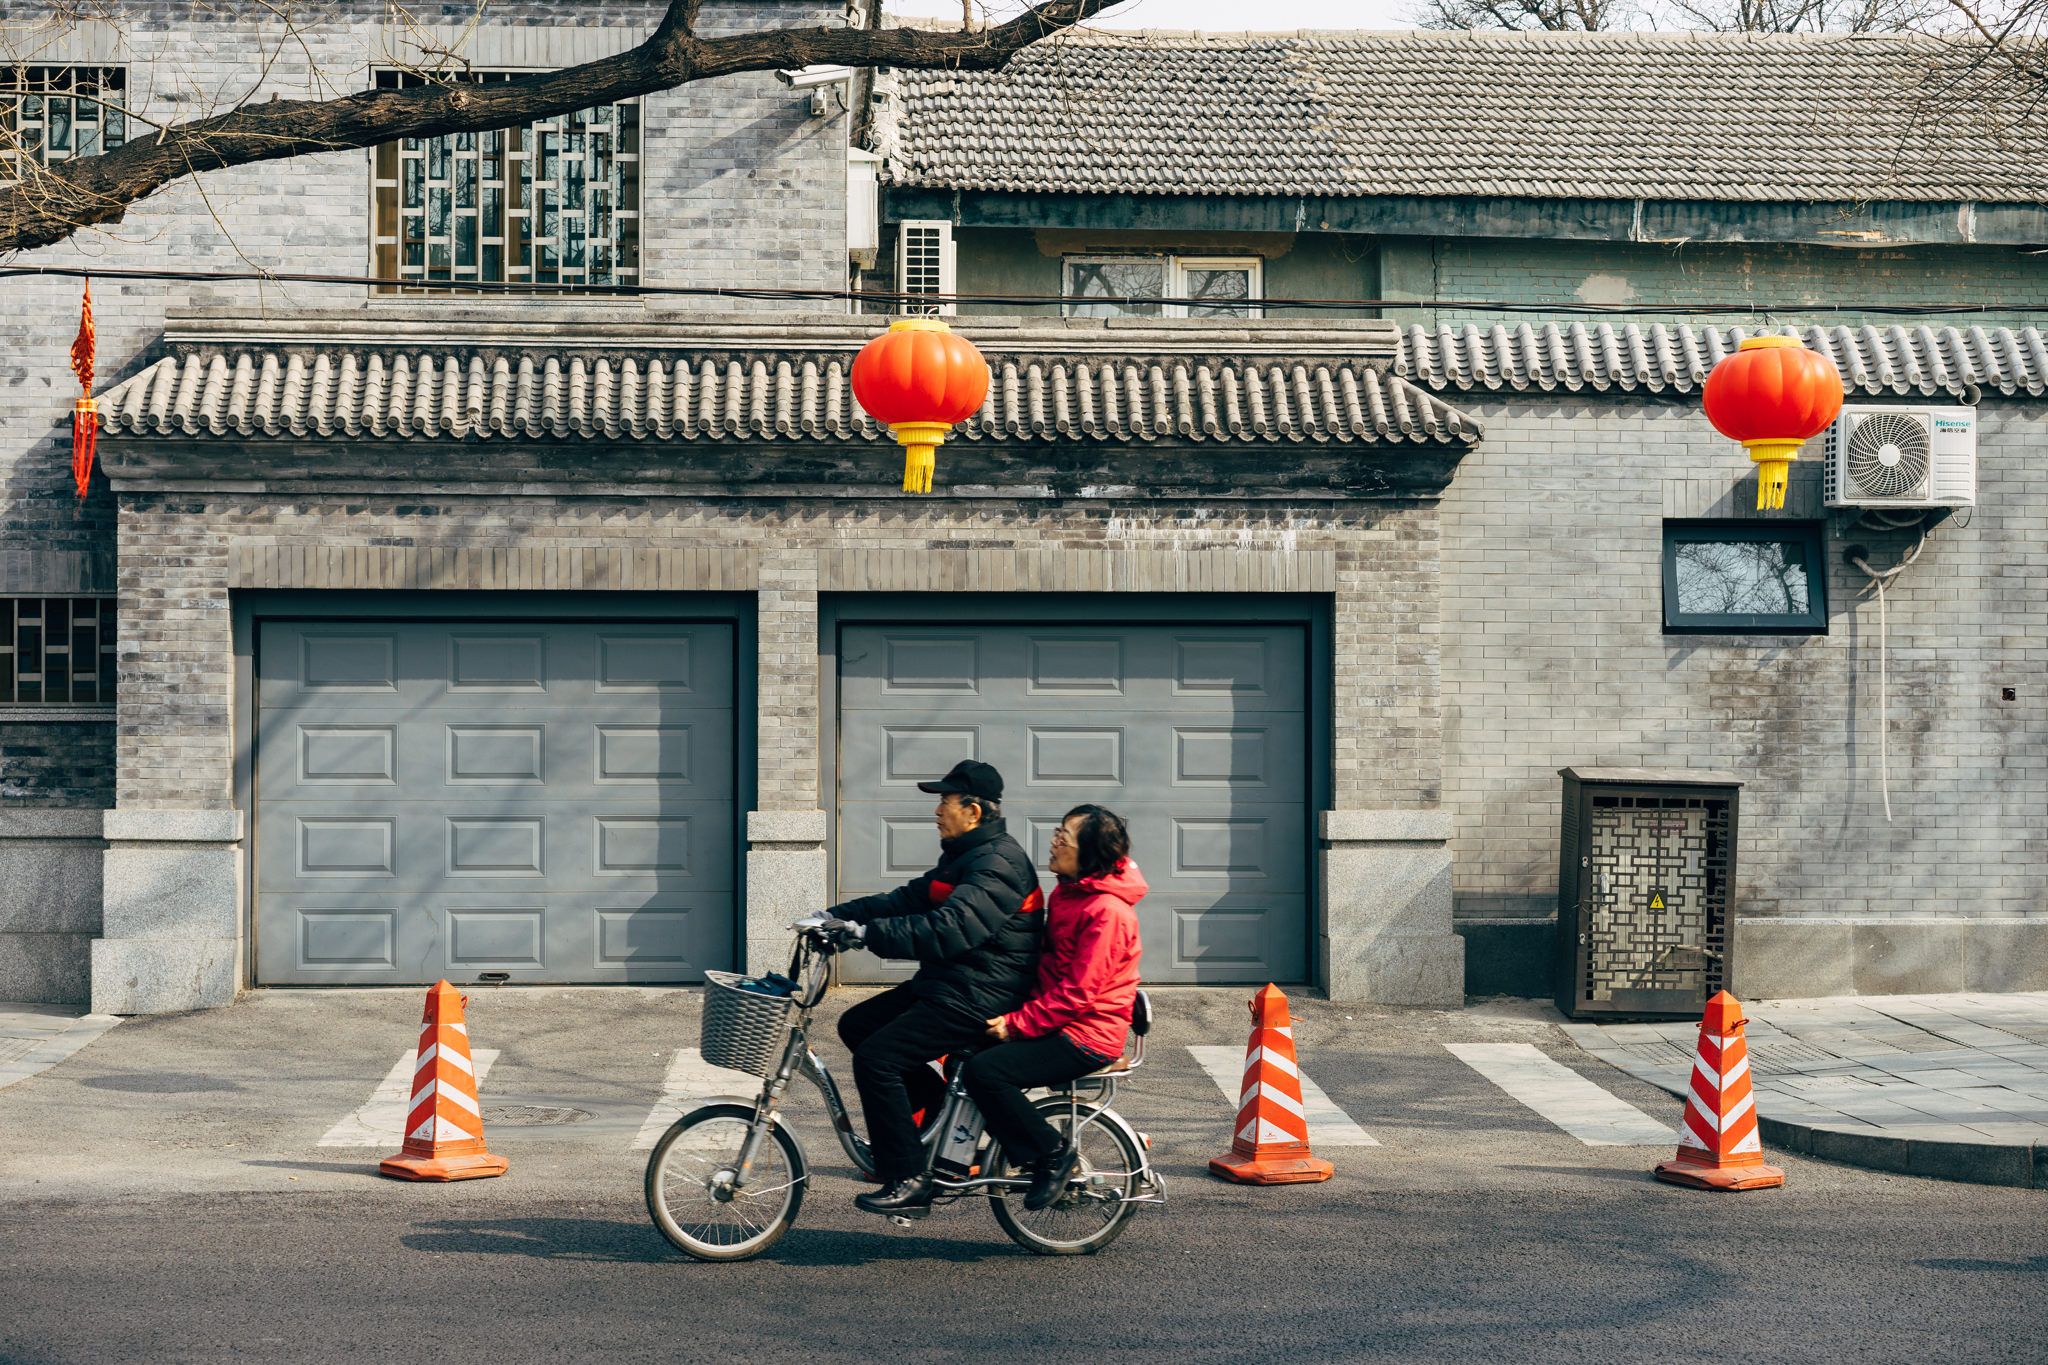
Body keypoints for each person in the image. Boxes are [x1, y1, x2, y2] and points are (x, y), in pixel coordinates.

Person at [820, 759, 1042, 1216]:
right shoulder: (964, 856)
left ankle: (906, 1174)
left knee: (878, 1059)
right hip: (950, 984)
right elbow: (905, 899)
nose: (937, 811)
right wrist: (833, 916)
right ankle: (942, 1115)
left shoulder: (998, 862)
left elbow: (949, 927)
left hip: (982, 994)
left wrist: (866, 935)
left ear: (974, 811)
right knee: (857, 1024)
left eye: (945, 802)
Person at [963, 803, 1144, 1212]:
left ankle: (1051, 1155)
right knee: (964, 1049)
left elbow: (1077, 993)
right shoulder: (1071, 893)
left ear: (1090, 853)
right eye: (1057, 833)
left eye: (1063, 837)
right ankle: (993, 1149)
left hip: (1086, 1036)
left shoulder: (1107, 912)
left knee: (986, 1072)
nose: (1053, 841)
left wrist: (1016, 1025)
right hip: (1062, 1023)